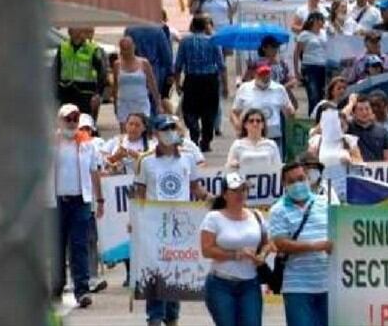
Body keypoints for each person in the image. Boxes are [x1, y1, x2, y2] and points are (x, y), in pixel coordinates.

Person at [136, 115, 209, 326]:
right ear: (156, 134)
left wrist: (213, 200)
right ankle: (155, 316)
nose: (169, 132)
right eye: (164, 129)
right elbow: (139, 193)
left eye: (171, 128)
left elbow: (196, 187)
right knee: (156, 271)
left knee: (176, 271)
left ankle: (172, 316)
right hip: (155, 223)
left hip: (181, 223)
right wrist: (137, 220)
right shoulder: (146, 159)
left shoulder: (187, 157)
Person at [51, 104, 104, 309]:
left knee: (79, 245)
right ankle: (56, 286)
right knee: (57, 246)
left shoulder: (86, 144)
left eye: (75, 119)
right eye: (68, 119)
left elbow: (94, 172)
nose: (72, 123)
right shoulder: (50, 143)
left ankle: (81, 290)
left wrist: (100, 199)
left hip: (80, 200)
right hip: (55, 201)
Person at [269, 161, 332, 326]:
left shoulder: (326, 203)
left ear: (307, 178)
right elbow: (281, 243)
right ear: (284, 184)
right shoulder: (278, 210)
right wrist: (315, 246)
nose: (297, 184)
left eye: (300, 178)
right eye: (291, 181)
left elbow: (340, 231)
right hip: (297, 286)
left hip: (328, 283)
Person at [201, 172, 268, 326]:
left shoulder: (256, 215)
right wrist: (235, 254)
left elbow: (267, 243)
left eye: (243, 190)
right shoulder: (214, 218)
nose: (240, 194)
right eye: (235, 191)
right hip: (221, 283)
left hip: (250, 282)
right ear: (225, 194)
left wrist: (262, 255)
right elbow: (207, 249)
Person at [174, 15, 229, 152]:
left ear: (192, 27)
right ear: (205, 27)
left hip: (192, 80)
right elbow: (221, 65)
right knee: (209, 111)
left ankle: (194, 132)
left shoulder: (185, 42)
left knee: (189, 110)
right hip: (210, 80)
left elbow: (178, 65)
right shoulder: (213, 41)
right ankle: (206, 140)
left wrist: (177, 83)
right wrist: (225, 86)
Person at [232, 64, 295, 153]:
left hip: (273, 135)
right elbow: (234, 112)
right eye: (261, 74)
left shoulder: (279, 89)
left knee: (274, 164)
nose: (265, 77)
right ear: (255, 75)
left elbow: (289, 109)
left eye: (267, 74)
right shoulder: (244, 88)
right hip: (250, 135)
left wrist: (290, 116)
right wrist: (238, 125)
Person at [55, 27, 108, 119]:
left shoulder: (93, 48)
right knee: (67, 121)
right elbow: (56, 69)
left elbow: (102, 72)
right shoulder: (63, 47)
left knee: (84, 121)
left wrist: (98, 94)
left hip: (85, 92)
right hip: (66, 90)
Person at [125, 24, 174, 115]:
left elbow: (125, 52)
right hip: (155, 71)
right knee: (153, 101)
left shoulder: (130, 30)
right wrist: (170, 72)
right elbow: (166, 55)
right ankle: (150, 123)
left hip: (135, 70)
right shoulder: (158, 31)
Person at [113, 37, 162, 127]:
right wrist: (115, 105)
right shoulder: (117, 64)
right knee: (125, 133)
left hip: (141, 103)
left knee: (142, 130)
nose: (127, 52)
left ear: (134, 47)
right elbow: (115, 86)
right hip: (124, 103)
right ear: (120, 50)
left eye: (129, 48)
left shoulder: (144, 63)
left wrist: (158, 103)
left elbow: (152, 84)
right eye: (124, 49)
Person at [294, 12, 329, 116]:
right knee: (313, 94)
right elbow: (296, 53)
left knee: (323, 94)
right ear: (313, 21)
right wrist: (296, 70)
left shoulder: (324, 33)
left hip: (323, 66)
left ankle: (322, 117)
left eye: (322, 20)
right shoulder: (304, 35)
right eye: (319, 20)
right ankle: (313, 117)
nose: (321, 22)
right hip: (310, 66)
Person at [226, 108, 282, 172]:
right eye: (251, 121)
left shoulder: (271, 144)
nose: (255, 124)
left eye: (258, 121)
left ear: (263, 125)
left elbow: (278, 168)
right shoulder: (237, 144)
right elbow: (228, 167)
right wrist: (233, 165)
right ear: (245, 125)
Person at [345, 94, 388, 162]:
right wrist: (351, 104)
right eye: (360, 109)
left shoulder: (383, 131)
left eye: (367, 108)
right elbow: (338, 120)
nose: (364, 112)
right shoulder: (347, 128)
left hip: (376, 171)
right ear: (353, 113)